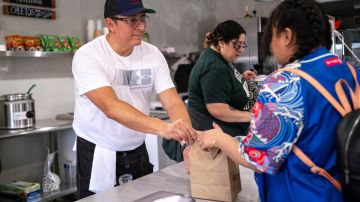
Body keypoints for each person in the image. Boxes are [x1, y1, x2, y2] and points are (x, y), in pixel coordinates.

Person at [198, 0, 358, 201]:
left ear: (286, 36)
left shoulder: (285, 83)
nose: (271, 46)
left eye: (271, 36)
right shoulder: (351, 72)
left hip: (302, 194)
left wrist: (217, 138)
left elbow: (257, 157)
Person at [72, 0, 196, 199]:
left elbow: (172, 101)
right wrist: (164, 128)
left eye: (142, 18)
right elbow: (110, 106)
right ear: (110, 24)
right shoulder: (88, 55)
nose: (141, 26)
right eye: (132, 20)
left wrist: (187, 143)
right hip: (99, 152)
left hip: (137, 149)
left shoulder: (152, 54)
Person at [187, 20, 257, 136]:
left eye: (243, 45)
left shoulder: (221, 57)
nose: (241, 50)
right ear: (222, 42)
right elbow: (218, 110)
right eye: (237, 45)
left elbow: (223, 83)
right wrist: (254, 115)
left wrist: (241, 78)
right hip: (217, 136)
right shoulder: (214, 66)